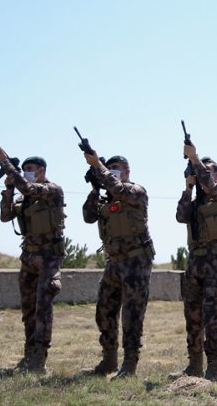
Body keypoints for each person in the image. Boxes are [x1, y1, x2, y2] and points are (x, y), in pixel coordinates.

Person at [81, 150, 154, 379]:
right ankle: (109, 360)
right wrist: (94, 188)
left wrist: (99, 168)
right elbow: (88, 216)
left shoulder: (135, 192)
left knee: (132, 315)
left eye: (116, 168)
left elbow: (119, 189)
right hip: (114, 262)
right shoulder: (106, 199)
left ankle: (129, 364)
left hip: (136, 261)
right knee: (104, 311)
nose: (111, 171)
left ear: (127, 171)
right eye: (108, 167)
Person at [0, 149, 65, 375]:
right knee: (28, 309)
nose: (26, 173)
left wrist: (5, 162)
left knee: (43, 308)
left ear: (42, 171)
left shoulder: (52, 190)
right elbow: (6, 216)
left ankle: (40, 360)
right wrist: (7, 188)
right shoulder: (23, 198)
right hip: (28, 258)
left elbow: (27, 187)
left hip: (48, 257)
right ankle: (28, 354)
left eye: (30, 170)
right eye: (24, 170)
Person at [172, 140, 217, 382]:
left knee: (213, 318)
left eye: (208, 172)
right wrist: (188, 188)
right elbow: (180, 216)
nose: (203, 175)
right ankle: (194, 366)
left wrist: (195, 159)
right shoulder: (196, 201)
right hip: (195, 263)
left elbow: (211, 186)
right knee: (193, 317)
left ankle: (213, 369)